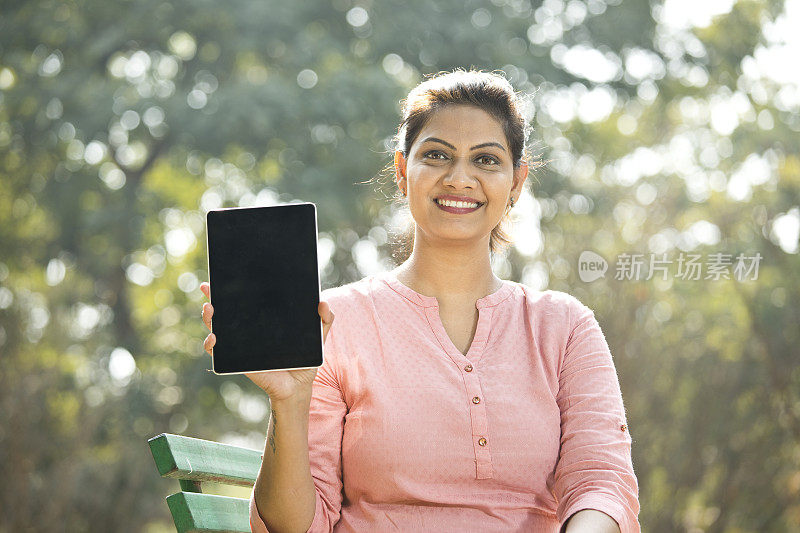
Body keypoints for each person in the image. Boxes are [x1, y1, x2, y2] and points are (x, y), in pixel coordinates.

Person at [200, 69, 640, 533]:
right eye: (436, 155)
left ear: (516, 182)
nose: (459, 178)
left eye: (487, 160)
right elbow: (296, 527)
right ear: (402, 171)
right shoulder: (333, 322)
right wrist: (289, 402)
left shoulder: (565, 326)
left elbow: (600, 480)